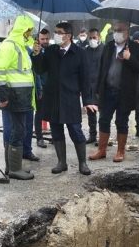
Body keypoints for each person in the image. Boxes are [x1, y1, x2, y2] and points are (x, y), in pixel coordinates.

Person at [32, 22, 94, 176]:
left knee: (75, 131)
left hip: (70, 98)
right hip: (53, 97)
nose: (56, 35)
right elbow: (40, 69)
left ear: (68, 35)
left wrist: (88, 101)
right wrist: (37, 54)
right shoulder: (52, 50)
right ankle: (61, 162)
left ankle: (82, 163)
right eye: (56, 32)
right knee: (56, 131)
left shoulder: (79, 53)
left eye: (59, 32)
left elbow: (86, 79)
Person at [89, 21, 139, 163]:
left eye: (120, 30)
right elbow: (102, 68)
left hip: (124, 92)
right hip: (108, 90)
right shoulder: (109, 46)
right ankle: (101, 150)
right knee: (103, 119)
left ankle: (120, 151)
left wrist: (130, 58)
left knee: (121, 121)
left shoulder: (135, 48)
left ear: (127, 32)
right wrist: (97, 89)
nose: (117, 32)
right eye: (115, 30)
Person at [0, 15, 36, 180]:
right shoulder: (10, 46)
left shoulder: (21, 47)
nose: (30, 34)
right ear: (21, 30)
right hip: (15, 96)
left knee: (19, 130)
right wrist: (3, 95)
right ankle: (14, 169)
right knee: (18, 131)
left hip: (21, 97)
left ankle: (12, 167)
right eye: (28, 31)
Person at [84, 28, 104, 144]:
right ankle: (92, 135)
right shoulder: (86, 51)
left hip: (100, 87)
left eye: (94, 38)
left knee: (102, 115)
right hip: (89, 87)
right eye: (90, 38)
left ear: (99, 38)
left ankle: (102, 137)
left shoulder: (104, 50)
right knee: (90, 113)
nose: (92, 40)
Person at [34, 28, 51, 149]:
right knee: (39, 113)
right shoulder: (35, 51)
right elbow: (36, 72)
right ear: (38, 39)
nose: (45, 41)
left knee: (53, 112)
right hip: (40, 86)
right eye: (42, 39)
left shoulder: (52, 50)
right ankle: (39, 138)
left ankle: (55, 136)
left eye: (46, 39)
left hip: (51, 87)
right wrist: (39, 88)